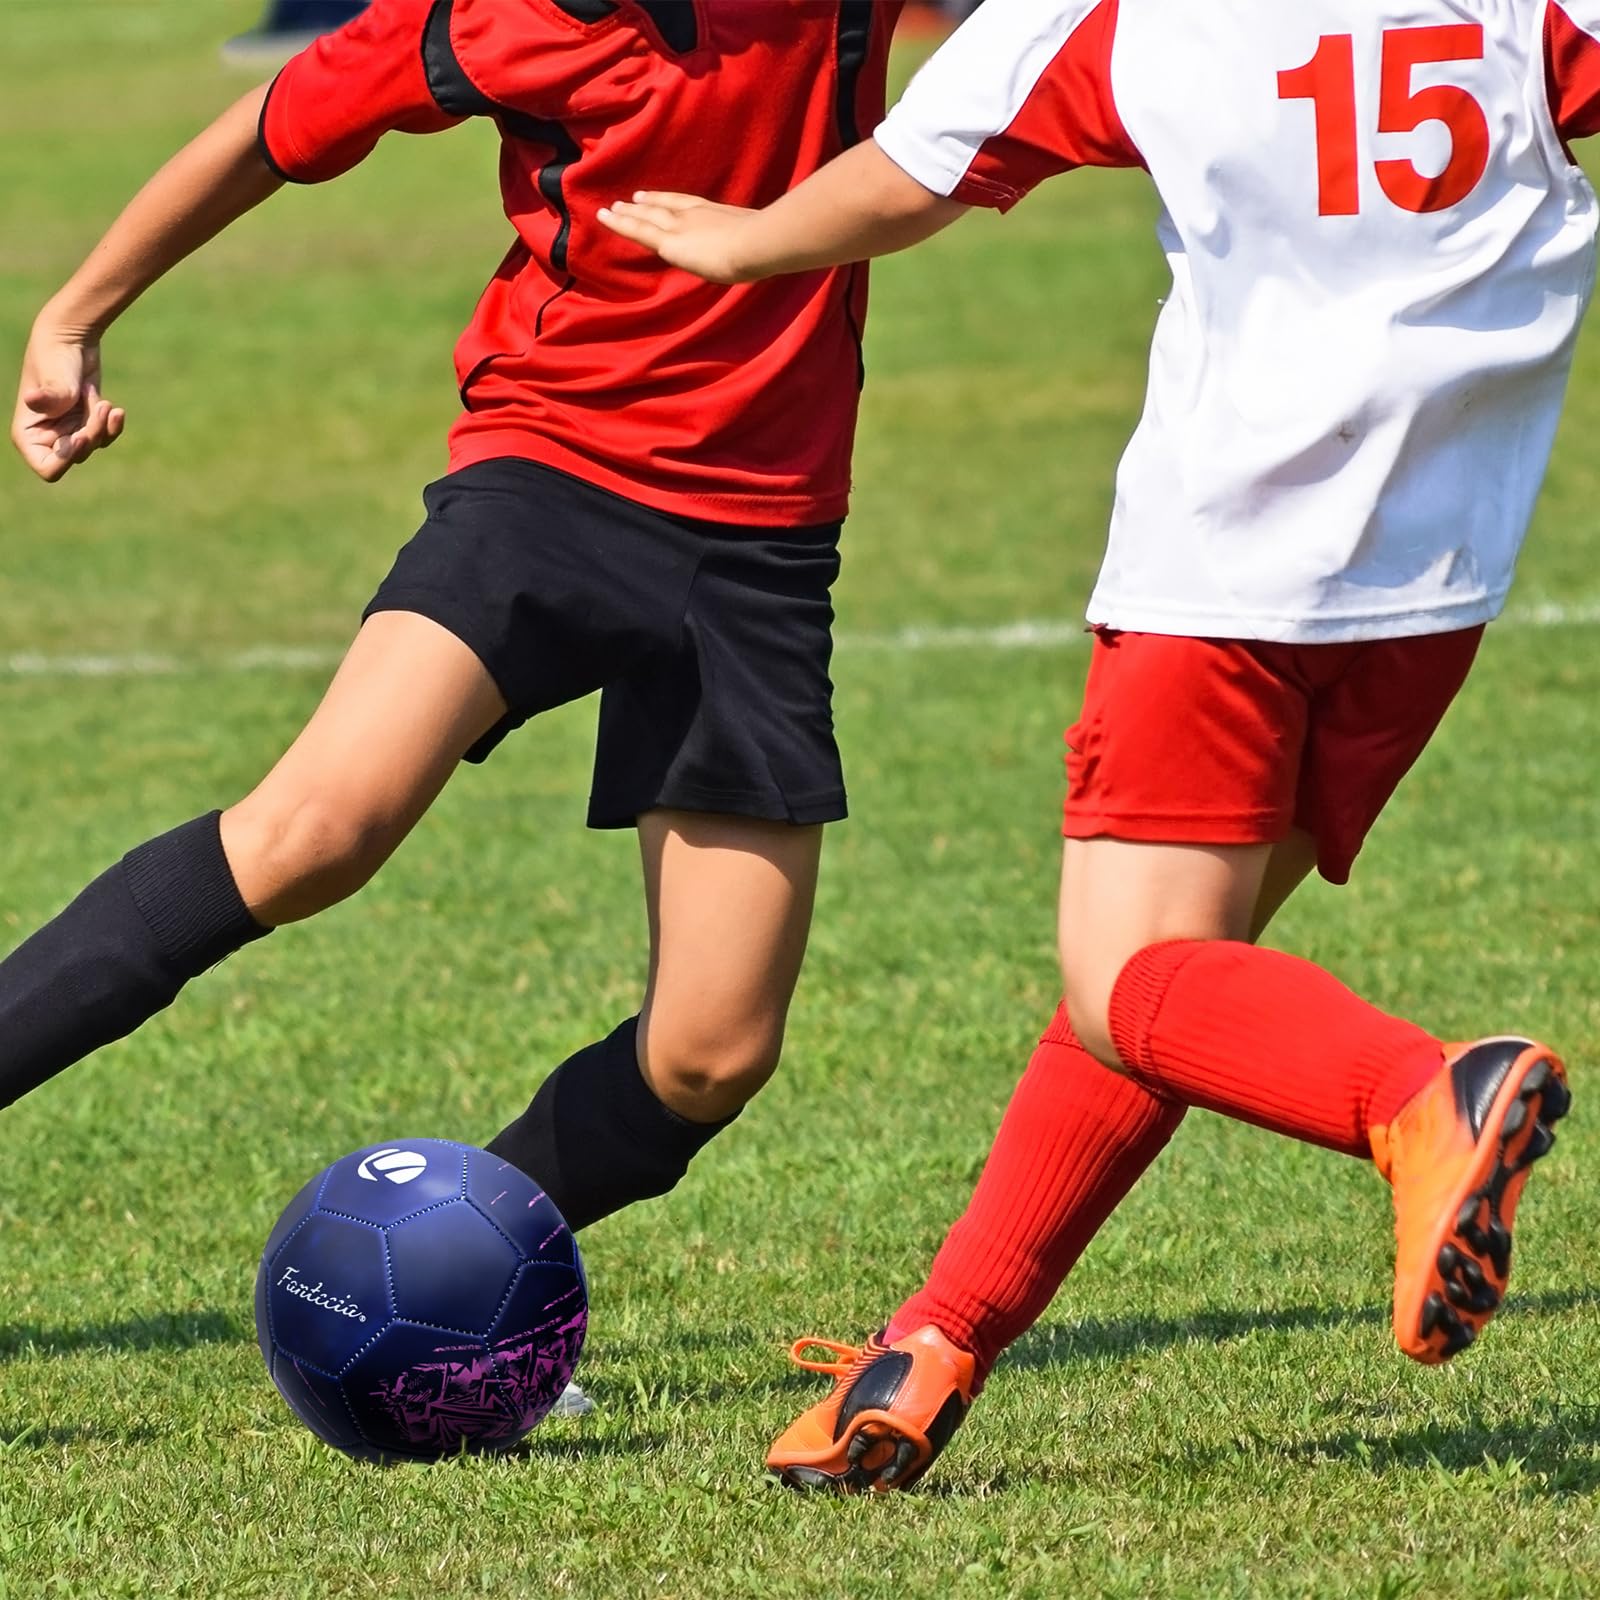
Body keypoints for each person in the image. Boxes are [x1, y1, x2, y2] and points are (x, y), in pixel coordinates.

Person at [598, 0, 1587, 1490]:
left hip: (1232, 563)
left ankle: (1417, 1097)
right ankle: (932, 1347)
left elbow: (923, 164)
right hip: (1438, 573)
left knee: (1134, 981)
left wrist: (747, 242)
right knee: (1177, 985)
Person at [5, 0, 899, 1360]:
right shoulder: (508, 14)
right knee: (315, 833)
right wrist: (75, 314)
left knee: (709, 1056)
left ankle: (426, 1289)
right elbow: (272, 125)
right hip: (547, 480)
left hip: (764, 550)